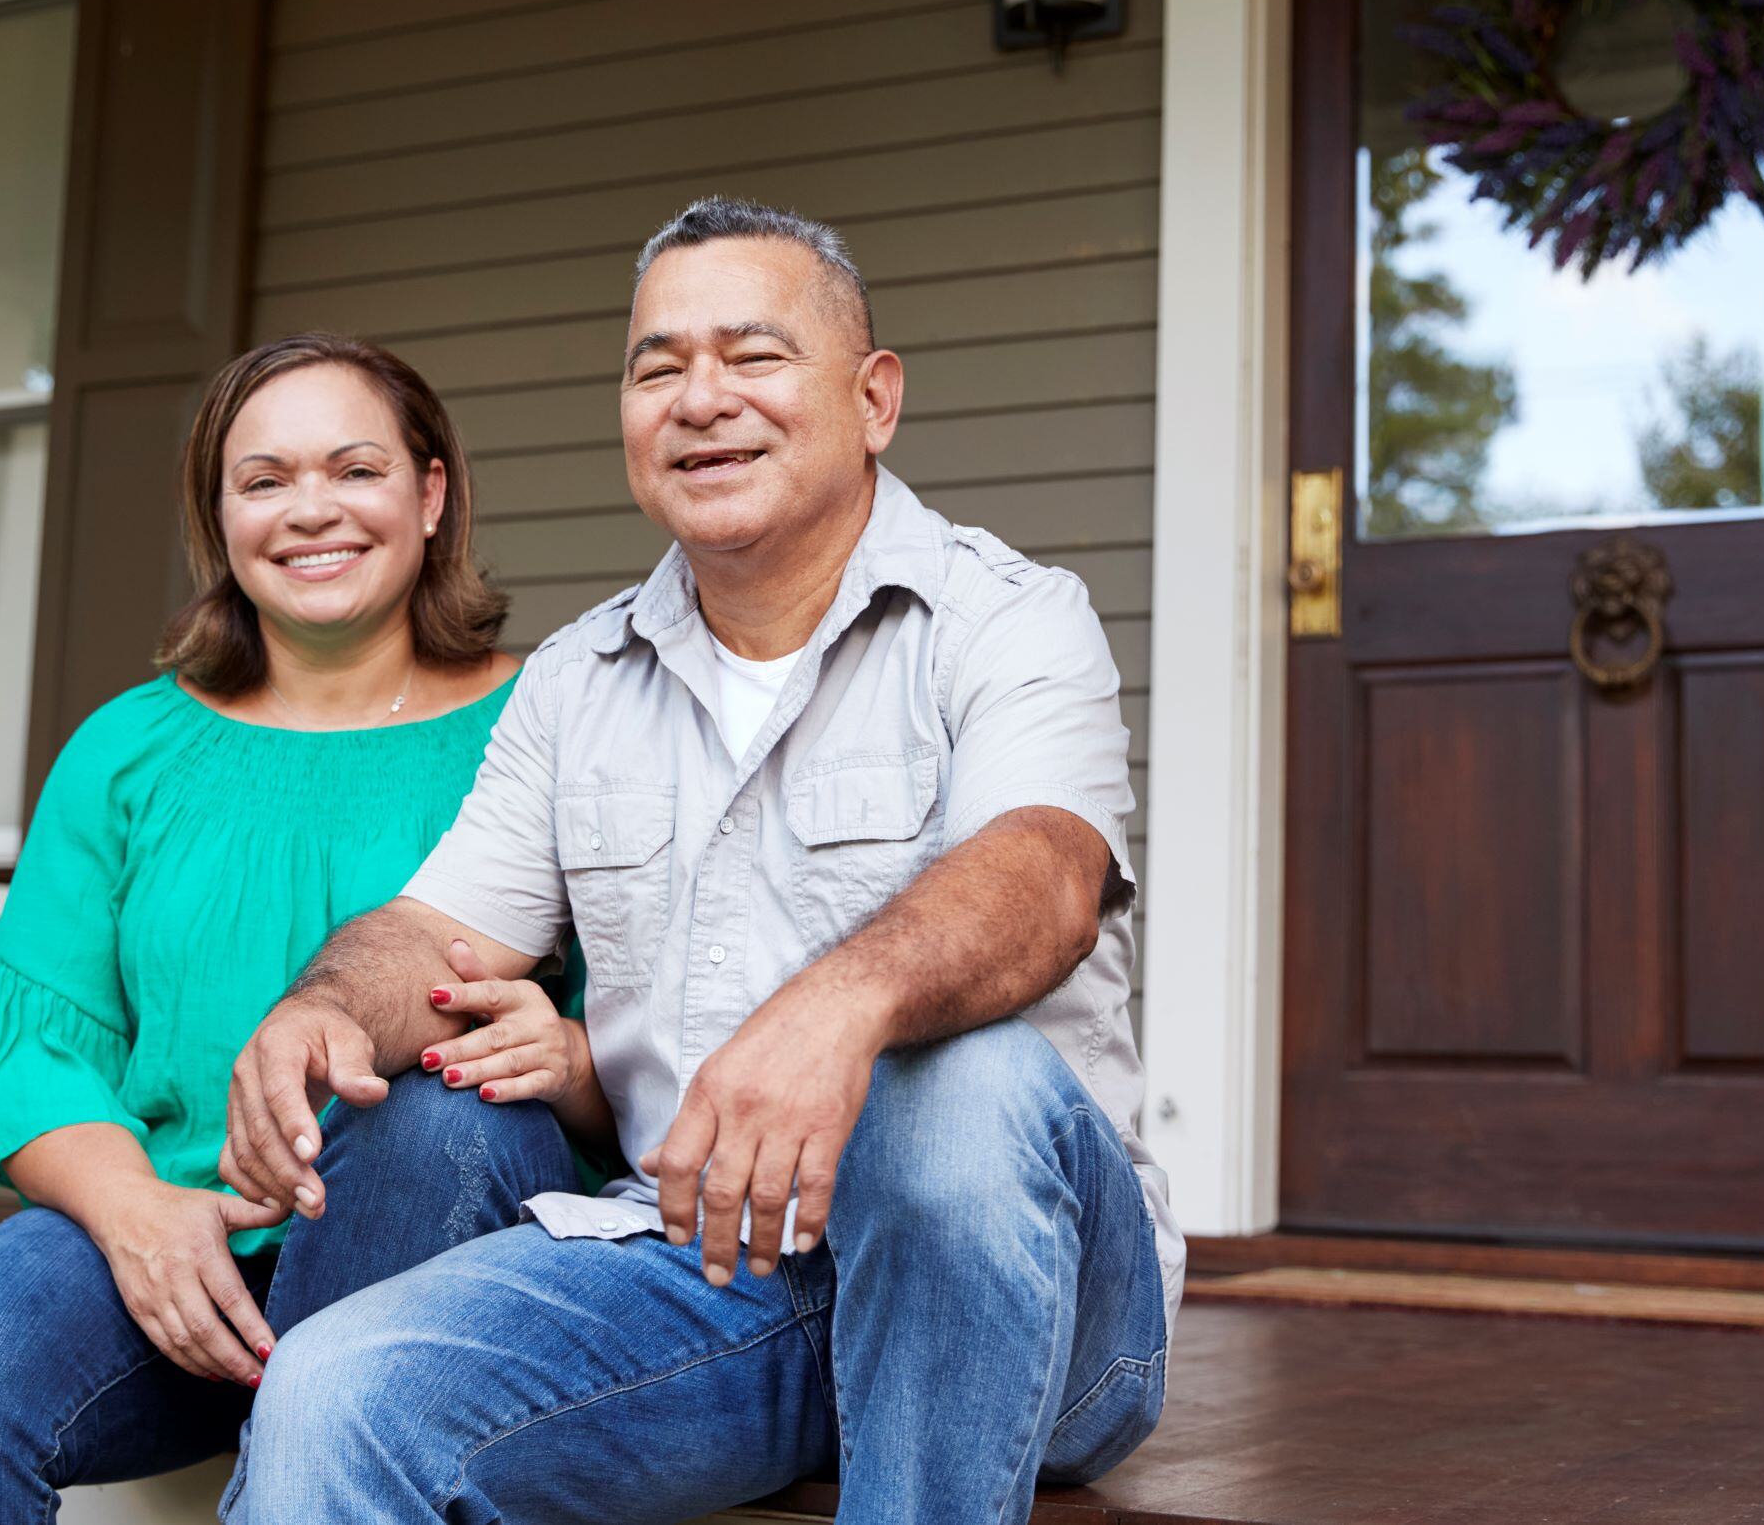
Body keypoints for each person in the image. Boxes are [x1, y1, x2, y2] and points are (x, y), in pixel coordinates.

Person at [218, 199, 1180, 1524]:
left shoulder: (1009, 619)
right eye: (658, 366)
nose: (700, 398)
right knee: (334, 1389)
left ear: (874, 398)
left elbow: (1046, 872)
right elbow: (435, 929)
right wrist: (322, 1006)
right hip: (716, 1271)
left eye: (753, 355)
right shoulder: (577, 680)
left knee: (953, 1084)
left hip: (1034, 1296)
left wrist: (842, 1007)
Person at [0, 334, 609, 1521]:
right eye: (263, 480)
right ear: (219, 520)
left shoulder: (559, 722)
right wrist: (136, 1214)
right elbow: (34, 1045)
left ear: (430, 493)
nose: (310, 510)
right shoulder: (126, 749)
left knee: (439, 1115)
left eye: (354, 470)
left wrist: (568, 1061)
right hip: (175, 1235)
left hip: (440, 1248)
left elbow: (661, 1042)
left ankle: (308, 1463)